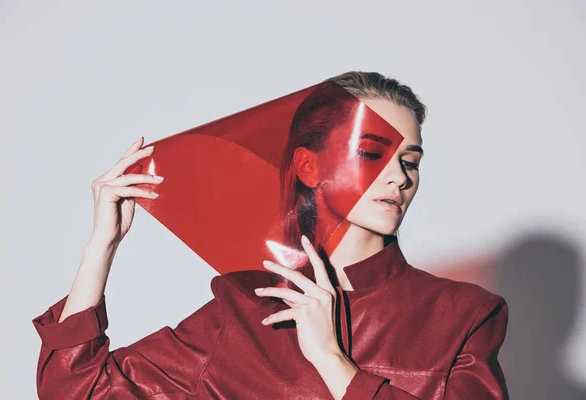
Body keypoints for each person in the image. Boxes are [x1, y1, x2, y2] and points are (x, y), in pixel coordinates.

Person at [32, 72, 509, 399]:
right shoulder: (246, 309)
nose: (399, 177)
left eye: (410, 161)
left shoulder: (463, 315)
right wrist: (102, 247)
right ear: (309, 165)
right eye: (371, 153)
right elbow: (78, 391)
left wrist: (333, 362)